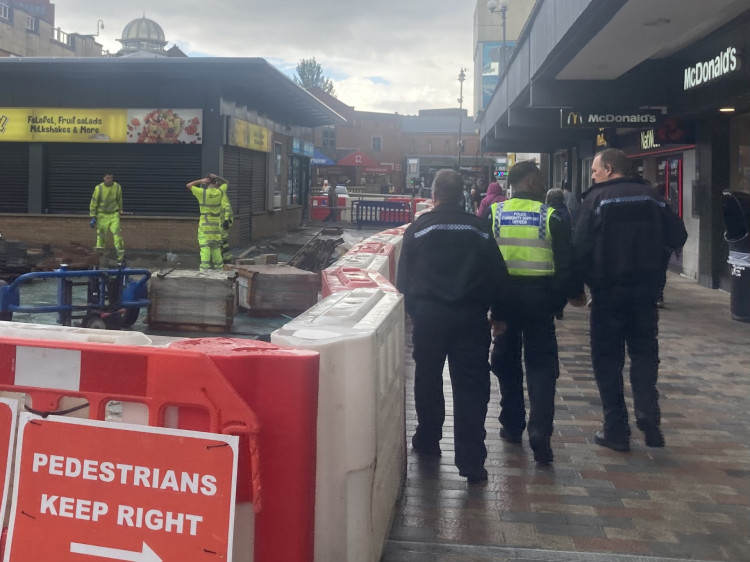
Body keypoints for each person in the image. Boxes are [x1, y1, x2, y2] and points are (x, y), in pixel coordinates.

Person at [396, 169, 509, 483]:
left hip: (430, 319)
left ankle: (429, 439)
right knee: (472, 386)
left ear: (433, 196)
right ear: (463, 195)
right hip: (471, 318)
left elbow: (403, 280)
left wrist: (416, 312)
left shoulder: (417, 229)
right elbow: (498, 277)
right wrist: (498, 314)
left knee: (428, 378)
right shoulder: (479, 229)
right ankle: (472, 461)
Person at [573, 148, 687, 452]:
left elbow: (580, 247)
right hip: (646, 291)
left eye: (596, 170)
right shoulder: (652, 197)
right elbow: (678, 235)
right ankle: (648, 411)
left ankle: (616, 430)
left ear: (610, 169)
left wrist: (576, 287)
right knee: (644, 354)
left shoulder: (596, 199)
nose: (593, 175)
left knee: (607, 359)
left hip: (608, 292)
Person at [487, 161, 580, 464]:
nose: (542, 185)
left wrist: (490, 304)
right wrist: (558, 301)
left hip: (504, 303)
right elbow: (566, 265)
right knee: (541, 367)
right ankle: (540, 432)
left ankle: (512, 425)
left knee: (506, 363)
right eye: (539, 180)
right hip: (540, 303)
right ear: (528, 182)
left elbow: (482, 259)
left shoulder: (493, 214)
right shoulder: (551, 216)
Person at [185, 174, 231, 271]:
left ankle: (204, 270)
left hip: (205, 225)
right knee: (215, 248)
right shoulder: (220, 192)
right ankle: (220, 269)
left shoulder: (202, 193)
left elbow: (188, 185)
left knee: (205, 247)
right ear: (216, 182)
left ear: (206, 182)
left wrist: (201, 180)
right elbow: (227, 182)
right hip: (215, 226)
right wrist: (217, 177)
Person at [89, 172, 125, 264]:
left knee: (117, 235)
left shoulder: (117, 187)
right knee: (101, 236)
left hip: (114, 214)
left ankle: (120, 258)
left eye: (111, 178)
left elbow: (119, 199)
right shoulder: (99, 188)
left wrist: (120, 209)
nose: (110, 180)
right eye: (108, 178)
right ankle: (99, 257)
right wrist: (93, 216)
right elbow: (94, 202)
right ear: (104, 178)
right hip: (102, 215)